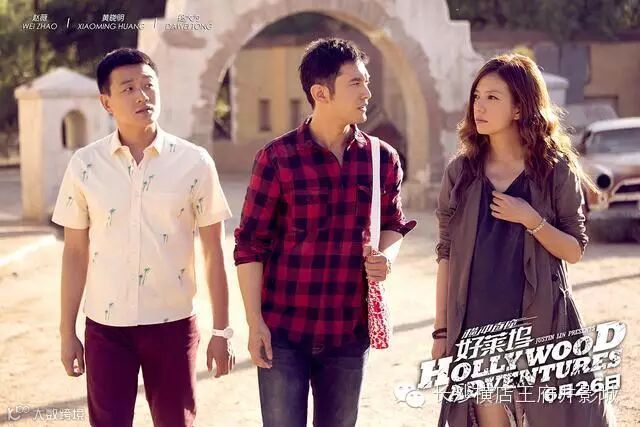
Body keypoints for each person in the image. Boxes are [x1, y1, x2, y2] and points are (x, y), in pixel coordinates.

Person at [233, 38, 416, 427]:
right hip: (284, 334)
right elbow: (250, 245)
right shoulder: (277, 158)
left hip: (348, 332)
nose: (367, 93)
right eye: (355, 83)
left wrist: (387, 257)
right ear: (321, 93)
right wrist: (254, 322)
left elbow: (393, 224)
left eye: (366, 82)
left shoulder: (382, 158)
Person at [53, 48, 235, 427]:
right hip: (106, 327)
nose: (142, 96)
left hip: (173, 324)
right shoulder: (85, 165)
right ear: (106, 102)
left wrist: (222, 330)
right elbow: (75, 252)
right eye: (128, 88)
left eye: (149, 85)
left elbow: (213, 252)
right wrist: (67, 332)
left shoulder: (195, 162)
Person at [432, 53, 616, 427]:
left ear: (519, 108)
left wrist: (531, 219)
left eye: (493, 97)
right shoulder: (461, 173)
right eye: (477, 96)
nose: (479, 106)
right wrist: (441, 332)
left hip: (542, 326)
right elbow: (446, 253)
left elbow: (574, 250)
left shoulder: (554, 170)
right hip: (479, 331)